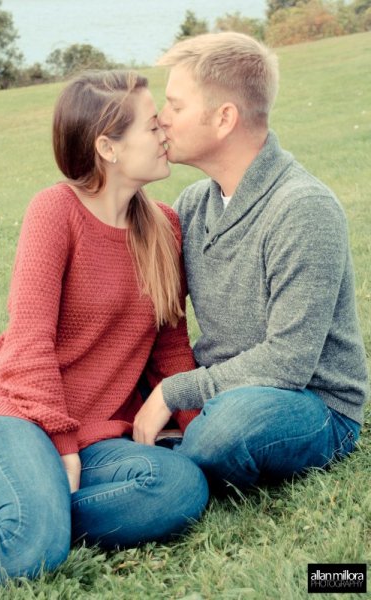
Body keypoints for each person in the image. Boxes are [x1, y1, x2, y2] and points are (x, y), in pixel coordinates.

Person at [0, 70, 208, 582]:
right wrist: (61, 444)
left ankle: (26, 510)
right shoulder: (55, 211)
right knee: (26, 550)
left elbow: (171, 351)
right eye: (151, 126)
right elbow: (28, 341)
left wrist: (199, 435)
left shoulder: (164, 226)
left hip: (97, 435)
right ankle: (30, 520)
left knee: (182, 486)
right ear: (108, 147)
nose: (165, 131)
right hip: (20, 415)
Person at [133, 33, 369, 493]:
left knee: (231, 427)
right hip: (219, 387)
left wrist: (171, 392)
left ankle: (172, 461)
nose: (161, 119)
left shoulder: (303, 208)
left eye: (175, 106)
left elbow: (288, 363)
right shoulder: (194, 204)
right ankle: (167, 456)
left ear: (224, 118)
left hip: (309, 404)